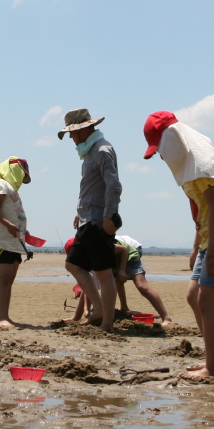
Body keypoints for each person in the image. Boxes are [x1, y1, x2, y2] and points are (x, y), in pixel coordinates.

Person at [143, 110, 214, 381]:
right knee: (194, 297)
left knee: (207, 302)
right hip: (210, 239)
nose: (162, 157)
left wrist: (211, 251)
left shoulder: (200, 164)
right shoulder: (189, 165)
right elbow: (202, 213)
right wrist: (196, 247)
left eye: (159, 150)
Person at [57, 108, 121, 333]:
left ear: (83, 130)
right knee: (73, 264)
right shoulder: (89, 152)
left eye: (72, 133)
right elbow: (94, 187)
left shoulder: (102, 150)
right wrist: (80, 210)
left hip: (97, 221)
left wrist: (109, 216)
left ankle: (107, 322)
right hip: (87, 218)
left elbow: (113, 186)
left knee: (103, 274)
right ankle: (99, 308)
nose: (72, 139)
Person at [0, 156, 32, 329]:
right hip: (3, 241)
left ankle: (7, 316)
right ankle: (1, 318)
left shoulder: (12, 189)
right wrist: (8, 225)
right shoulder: (0, 184)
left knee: (9, 280)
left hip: (15, 241)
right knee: (3, 279)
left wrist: (22, 230)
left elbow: (14, 212)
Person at [114, 232, 174, 325]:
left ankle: (166, 318)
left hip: (132, 249)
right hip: (118, 253)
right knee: (117, 280)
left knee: (141, 286)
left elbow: (125, 250)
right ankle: (124, 307)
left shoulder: (106, 245)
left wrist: (122, 270)